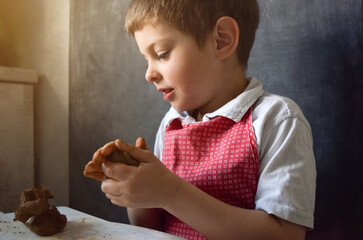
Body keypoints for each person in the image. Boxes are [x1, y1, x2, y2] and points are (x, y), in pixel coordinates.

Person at [94, 0, 316, 239]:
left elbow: (285, 235)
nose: (149, 74)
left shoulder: (277, 120)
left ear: (222, 40)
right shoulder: (171, 124)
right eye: (146, 59)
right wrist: (138, 193)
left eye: (162, 54)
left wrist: (170, 192)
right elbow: (151, 228)